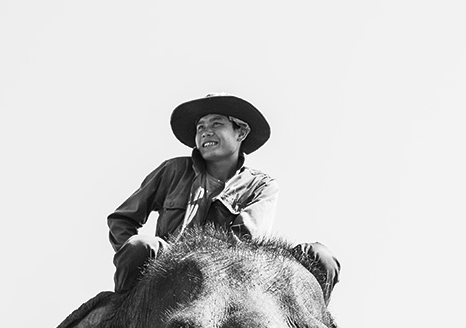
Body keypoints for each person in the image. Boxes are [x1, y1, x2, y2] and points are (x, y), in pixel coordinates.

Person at [108, 94, 340, 297]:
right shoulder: (173, 170)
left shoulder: (261, 185)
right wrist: (142, 260)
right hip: (169, 265)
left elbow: (244, 241)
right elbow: (122, 220)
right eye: (200, 127)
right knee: (141, 245)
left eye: (216, 123)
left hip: (234, 273)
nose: (205, 131)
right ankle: (124, 318)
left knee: (321, 257)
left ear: (241, 132)